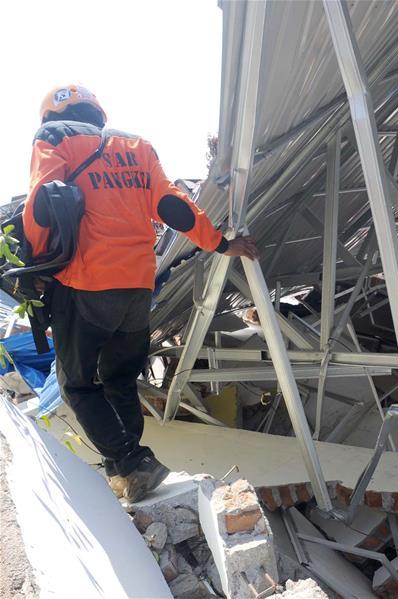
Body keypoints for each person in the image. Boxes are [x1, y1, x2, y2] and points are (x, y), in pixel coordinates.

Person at [24, 84, 259, 502]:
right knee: (120, 380)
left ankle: (133, 462)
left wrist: (40, 266)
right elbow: (172, 206)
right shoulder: (135, 146)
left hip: (87, 284)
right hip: (137, 287)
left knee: (76, 385)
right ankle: (126, 474)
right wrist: (221, 243)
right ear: (98, 113)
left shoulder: (54, 138)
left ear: (50, 116)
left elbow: (43, 204)